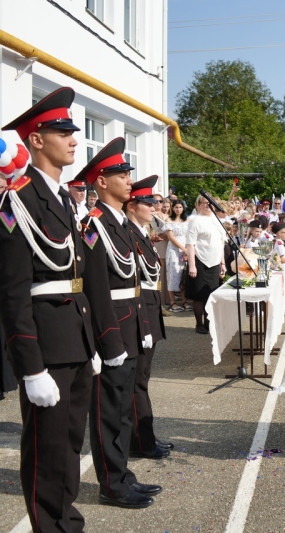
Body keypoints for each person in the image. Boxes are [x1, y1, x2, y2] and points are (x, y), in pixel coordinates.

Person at [0, 87, 102, 531]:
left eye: (73, 131)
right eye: (63, 132)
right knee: (45, 449)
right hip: (46, 347)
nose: (74, 140)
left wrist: (91, 339)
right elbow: (12, 292)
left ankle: (66, 520)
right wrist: (30, 366)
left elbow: (76, 277)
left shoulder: (62, 199)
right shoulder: (18, 202)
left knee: (68, 444)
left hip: (74, 340)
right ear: (36, 140)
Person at [78, 137, 161, 509]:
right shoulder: (94, 225)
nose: (129, 180)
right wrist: (108, 339)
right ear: (100, 182)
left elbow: (134, 284)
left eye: (128, 173)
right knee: (108, 410)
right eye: (120, 174)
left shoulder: (122, 225)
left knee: (123, 408)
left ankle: (123, 474)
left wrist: (143, 328)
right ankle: (110, 483)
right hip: (112, 329)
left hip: (130, 324)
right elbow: (95, 289)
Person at [124, 176, 172, 458]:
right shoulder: (129, 233)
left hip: (150, 312)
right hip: (139, 314)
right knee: (137, 382)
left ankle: (146, 437)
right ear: (133, 206)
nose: (154, 208)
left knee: (142, 379)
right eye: (149, 204)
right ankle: (142, 442)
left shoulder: (141, 233)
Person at [185, 194, 227, 334]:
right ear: (198, 205)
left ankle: (209, 323)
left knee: (211, 294)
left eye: (211, 203)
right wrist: (192, 265)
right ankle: (199, 324)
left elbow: (220, 244)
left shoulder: (216, 220)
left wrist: (222, 263)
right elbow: (190, 244)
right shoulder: (195, 221)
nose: (208, 205)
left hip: (215, 262)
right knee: (199, 295)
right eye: (204, 203)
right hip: (200, 261)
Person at [163, 199, 190, 312]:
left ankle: (184, 301)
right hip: (174, 249)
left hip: (186, 248)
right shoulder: (169, 219)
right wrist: (183, 248)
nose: (178, 209)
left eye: (180, 207)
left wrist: (187, 249)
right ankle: (173, 302)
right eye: (176, 207)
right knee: (173, 274)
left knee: (183, 275)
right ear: (172, 208)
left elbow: (190, 235)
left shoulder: (187, 220)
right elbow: (171, 237)